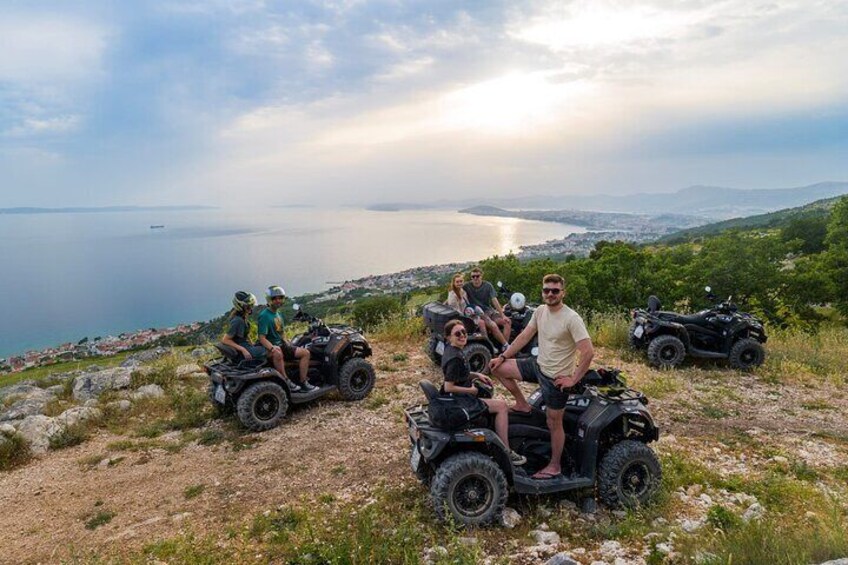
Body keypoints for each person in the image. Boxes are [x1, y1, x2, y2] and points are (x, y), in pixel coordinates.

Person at [489, 274, 594, 480]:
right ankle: (522, 404)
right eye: (546, 290)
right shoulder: (540, 311)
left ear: (563, 292)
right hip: (537, 365)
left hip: (556, 378)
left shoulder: (571, 318)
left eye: (555, 291)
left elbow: (588, 351)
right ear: (542, 291)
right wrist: (502, 356)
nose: (550, 294)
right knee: (497, 368)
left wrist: (572, 380)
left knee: (553, 422)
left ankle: (554, 466)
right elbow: (524, 336)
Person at [441, 319, 526, 466]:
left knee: (490, 399)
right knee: (502, 406)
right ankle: (506, 451)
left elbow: (459, 374)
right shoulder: (455, 358)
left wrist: (476, 375)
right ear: (449, 337)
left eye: (464, 332)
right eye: (457, 334)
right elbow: (448, 386)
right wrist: (471, 390)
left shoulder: (452, 351)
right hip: (460, 401)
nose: (462, 335)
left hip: (457, 398)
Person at [257, 285, 315, 393]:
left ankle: (303, 382)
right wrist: (272, 348)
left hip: (281, 345)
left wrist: (287, 341)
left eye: (280, 298)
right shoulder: (264, 316)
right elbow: (262, 338)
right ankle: (286, 380)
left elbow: (282, 332)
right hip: (270, 347)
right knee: (278, 353)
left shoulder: (278, 314)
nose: (278, 301)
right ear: (269, 300)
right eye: (274, 298)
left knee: (305, 353)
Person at [462, 267, 510, 349]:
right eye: (473, 276)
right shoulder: (467, 286)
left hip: (489, 310)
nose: (475, 278)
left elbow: (494, 300)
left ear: (481, 276)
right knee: (493, 325)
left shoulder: (488, 285)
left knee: (507, 322)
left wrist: (502, 315)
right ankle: (506, 346)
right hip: (478, 312)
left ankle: (503, 346)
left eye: (477, 276)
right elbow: (456, 292)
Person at [221, 291, 267, 363]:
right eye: (248, 306)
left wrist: (252, 345)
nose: (250, 308)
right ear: (240, 306)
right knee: (269, 349)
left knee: (266, 342)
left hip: (247, 346)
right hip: (242, 350)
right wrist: (243, 350)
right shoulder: (237, 321)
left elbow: (245, 335)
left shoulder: (243, 317)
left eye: (250, 305)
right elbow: (225, 340)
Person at [445, 273, 488, 337]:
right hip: (461, 318)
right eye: (457, 282)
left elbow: (467, 304)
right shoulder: (453, 295)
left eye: (461, 281)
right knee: (481, 323)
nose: (459, 283)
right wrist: (470, 316)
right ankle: (485, 340)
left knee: (484, 316)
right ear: (454, 283)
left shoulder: (462, 291)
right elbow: (456, 312)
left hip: (467, 314)